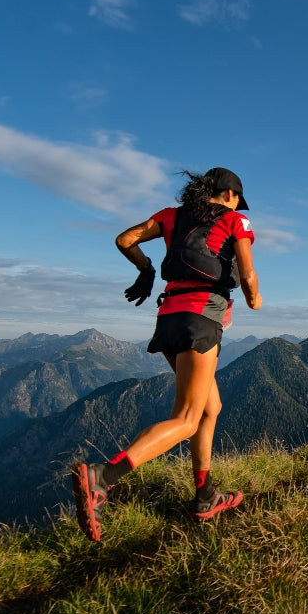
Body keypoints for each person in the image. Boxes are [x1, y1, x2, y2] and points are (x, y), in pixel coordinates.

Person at [72, 167, 262, 541]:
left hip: (169, 317)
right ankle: (102, 477)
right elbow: (248, 274)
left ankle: (205, 496)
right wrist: (254, 299)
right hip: (200, 318)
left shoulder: (171, 216)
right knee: (187, 418)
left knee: (210, 408)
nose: (238, 205)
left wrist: (145, 269)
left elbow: (125, 239)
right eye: (238, 199)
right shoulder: (235, 221)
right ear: (229, 194)